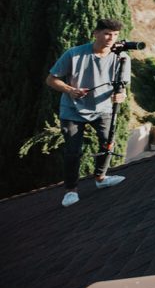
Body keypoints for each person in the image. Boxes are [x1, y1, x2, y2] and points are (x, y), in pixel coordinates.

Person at [46, 19, 131, 207]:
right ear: (96, 33)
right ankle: (70, 190)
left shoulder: (122, 57)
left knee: (108, 143)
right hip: (72, 110)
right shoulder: (74, 54)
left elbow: (122, 87)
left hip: (103, 109)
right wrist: (69, 89)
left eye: (115, 35)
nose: (111, 38)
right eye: (108, 33)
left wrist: (121, 95)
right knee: (73, 151)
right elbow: (51, 80)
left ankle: (101, 178)